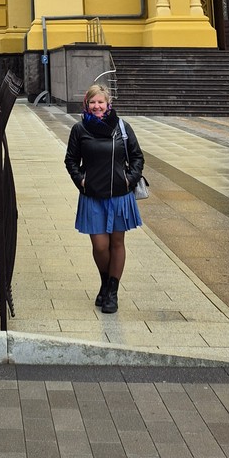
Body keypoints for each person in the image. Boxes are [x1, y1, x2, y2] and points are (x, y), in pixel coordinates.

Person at [64, 82, 144, 315]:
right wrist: (81, 181)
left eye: (101, 102)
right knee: (100, 245)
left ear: (108, 104)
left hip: (120, 196)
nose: (97, 106)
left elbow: (138, 157)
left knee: (117, 243)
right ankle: (105, 281)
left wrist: (129, 179)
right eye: (93, 102)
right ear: (86, 105)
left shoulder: (122, 127)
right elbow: (70, 160)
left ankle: (111, 292)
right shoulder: (79, 130)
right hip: (93, 196)